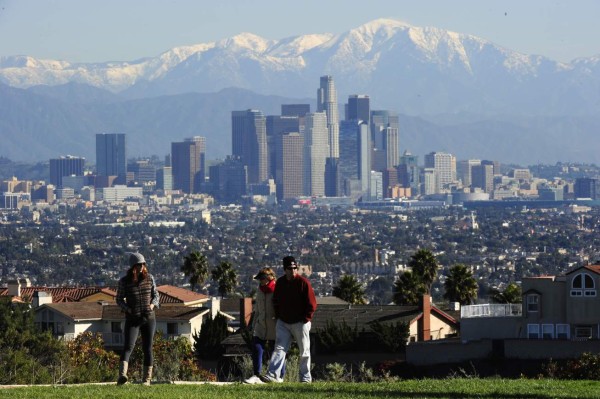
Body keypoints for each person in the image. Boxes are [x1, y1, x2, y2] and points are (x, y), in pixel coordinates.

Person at [262, 256, 317, 383]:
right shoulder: (280, 283)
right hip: (283, 322)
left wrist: (306, 319)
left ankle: (305, 378)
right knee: (279, 349)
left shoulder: (303, 283)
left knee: (304, 351)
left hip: (300, 322)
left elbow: (312, 304)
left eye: (294, 268)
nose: (293, 270)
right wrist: (279, 316)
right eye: (289, 268)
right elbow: (275, 301)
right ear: (284, 269)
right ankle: (273, 375)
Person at [116, 252, 160, 386]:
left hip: (149, 318)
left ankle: (146, 379)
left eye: (143, 264)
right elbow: (119, 299)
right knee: (128, 346)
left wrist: (152, 305)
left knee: (148, 348)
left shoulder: (150, 278)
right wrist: (128, 309)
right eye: (139, 265)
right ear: (133, 266)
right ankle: (122, 375)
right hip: (132, 319)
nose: (141, 267)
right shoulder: (124, 282)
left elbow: (156, 295)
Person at [243, 267, 285, 384]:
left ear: (270, 278)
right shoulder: (260, 290)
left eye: (263, 278)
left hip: (275, 326)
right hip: (261, 325)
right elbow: (257, 309)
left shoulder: (278, 289)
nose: (261, 281)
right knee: (256, 347)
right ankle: (256, 375)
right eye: (260, 279)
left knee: (276, 351)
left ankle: (279, 376)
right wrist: (252, 323)